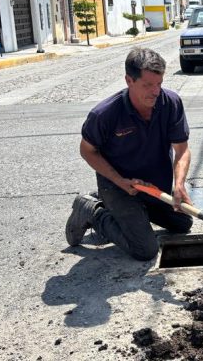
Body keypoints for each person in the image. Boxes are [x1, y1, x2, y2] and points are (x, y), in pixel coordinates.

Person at [65, 47, 194, 260]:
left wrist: (179, 185)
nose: (155, 91)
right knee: (145, 249)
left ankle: (134, 214)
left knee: (183, 223)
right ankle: (93, 210)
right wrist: (119, 181)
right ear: (129, 80)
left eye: (159, 84)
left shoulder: (171, 103)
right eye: (148, 85)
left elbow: (182, 150)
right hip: (117, 185)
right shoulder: (104, 114)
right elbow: (87, 151)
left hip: (153, 187)